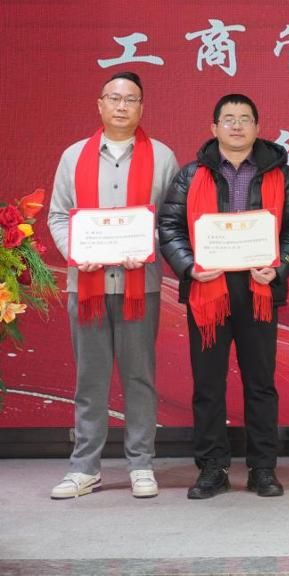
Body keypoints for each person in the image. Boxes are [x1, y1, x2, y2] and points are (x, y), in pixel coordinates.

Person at [158, 93, 289, 499]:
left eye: (245, 118)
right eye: (229, 118)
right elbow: (169, 226)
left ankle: (263, 469)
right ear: (214, 128)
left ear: (258, 127)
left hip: (259, 290)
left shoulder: (279, 173)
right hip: (209, 290)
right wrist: (189, 266)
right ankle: (212, 468)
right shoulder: (191, 175)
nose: (237, 125)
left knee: (261, 383)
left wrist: (280, 266)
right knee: (208, 384)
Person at [47, 72, 179, 500]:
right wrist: (75, 252)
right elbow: (58, 216)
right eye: (115, 98)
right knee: (90, 379)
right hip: (85, 284)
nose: (122, 106)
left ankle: (141, 464)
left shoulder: (162, 157)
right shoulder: (73, 156)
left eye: (131, 99)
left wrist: (145, 246)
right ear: (100, 104)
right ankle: (84, 468)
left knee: (140, 377)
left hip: (141, 285)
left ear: (142, 108)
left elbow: (171, 219)